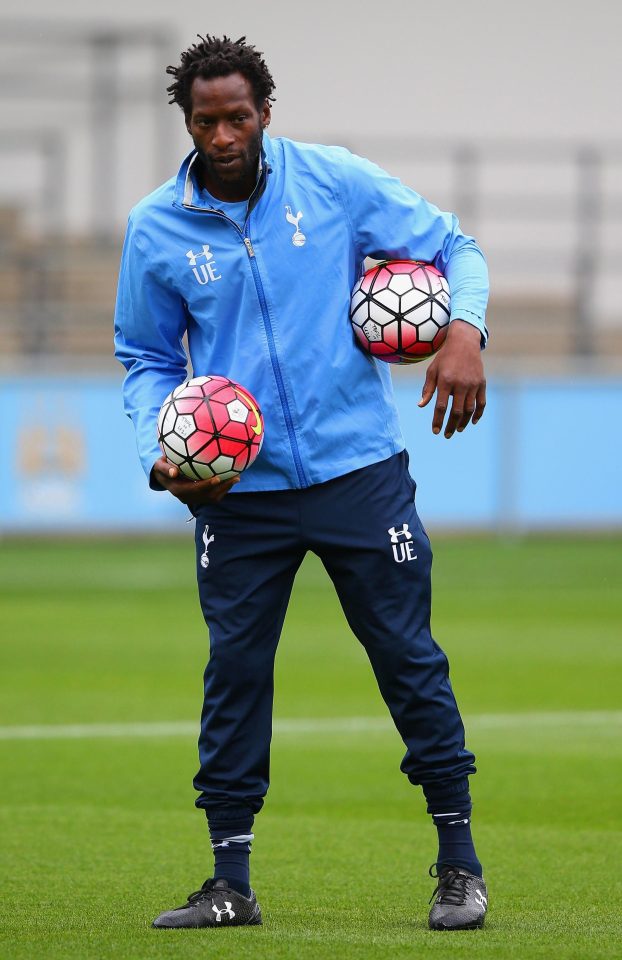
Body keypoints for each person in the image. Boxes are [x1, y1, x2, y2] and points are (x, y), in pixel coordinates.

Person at [114, 34, 490, 932]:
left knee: (407, 660)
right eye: (206, 120)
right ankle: (229, 883)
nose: (223, 133)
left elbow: (457, 247)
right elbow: (144, 358)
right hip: (236, 492)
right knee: (235, 672)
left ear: (265, 113)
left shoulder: (334, 182)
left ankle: (460, 865)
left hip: (360, 470)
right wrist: (161, 452)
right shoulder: (155, 229)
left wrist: (465, 329)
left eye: (238, 116)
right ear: (188, 121)